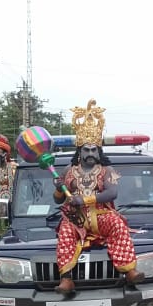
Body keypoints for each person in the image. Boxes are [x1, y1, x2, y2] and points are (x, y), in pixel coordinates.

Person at [52, 99, 144, 295]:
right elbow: (58, 199)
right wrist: (59, 189)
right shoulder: (68, 170)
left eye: (94, 149)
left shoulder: (107, 170)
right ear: (80, 151)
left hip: (102, 215)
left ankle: (130, 271)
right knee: (65, 232)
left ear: (99, 151)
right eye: (86, 149)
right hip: (76, 218)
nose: (90, 153)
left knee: (118, 225)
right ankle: (66, 279)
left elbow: (112, 193)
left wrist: (84, 199)